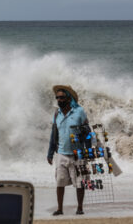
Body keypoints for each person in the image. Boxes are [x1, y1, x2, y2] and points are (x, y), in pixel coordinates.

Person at [47, 85, 88, 216]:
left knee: (80, 182)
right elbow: (54, 134)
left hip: (78, 153)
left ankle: (80, 208)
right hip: (61, 153)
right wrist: (50, 153)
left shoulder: (79, 111)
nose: (59, 100)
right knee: (60, 182)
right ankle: (60, 209)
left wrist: (89, 151)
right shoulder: (56, 114)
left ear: (68, 98)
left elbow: (88, 130)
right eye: (57, 97)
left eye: (62, 97)